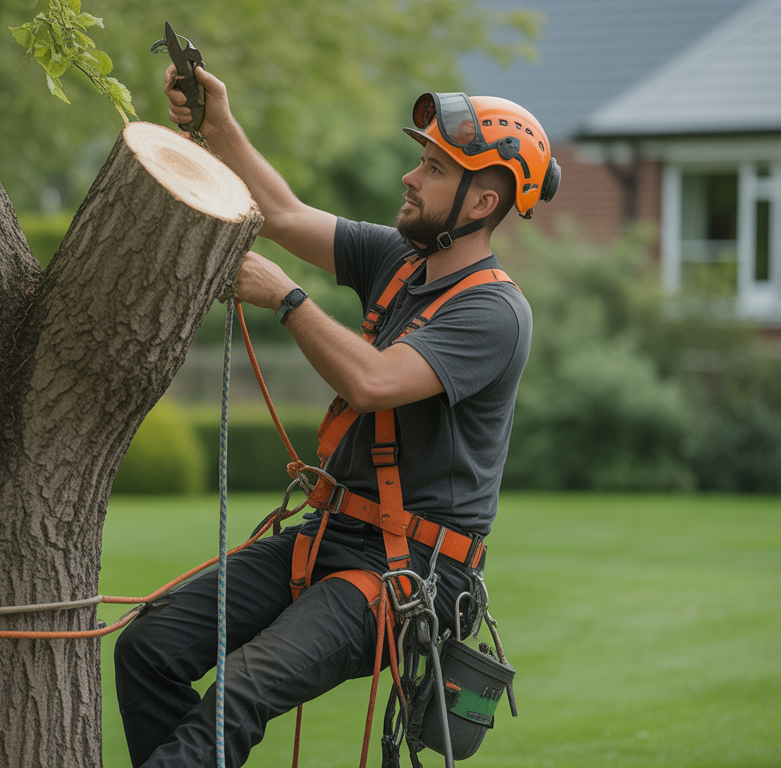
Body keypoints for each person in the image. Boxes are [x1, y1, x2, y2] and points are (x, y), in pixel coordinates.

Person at [113, 66, 558, 768]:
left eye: (433, 168)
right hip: (330, 535)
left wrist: (288, 299)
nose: (411, 177)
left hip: (406, 569)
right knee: (149, 648)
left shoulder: (495, 313)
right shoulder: (397, 261)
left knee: (238, 694)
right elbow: (284, 216)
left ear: (480, 204)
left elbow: (374, 381)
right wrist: (216, 122)